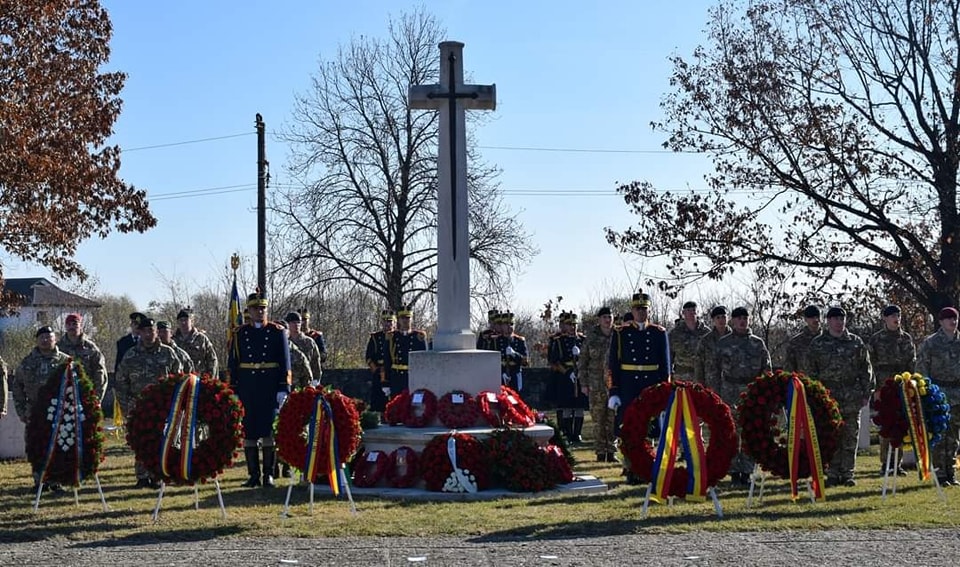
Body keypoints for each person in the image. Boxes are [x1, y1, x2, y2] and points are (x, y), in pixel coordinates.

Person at [228, 293, 292, 488]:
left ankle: (268, 475)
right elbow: (233, 363)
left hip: (269, 386)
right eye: (256, 308)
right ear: (249, 310)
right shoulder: (239, 333)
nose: (260, 312)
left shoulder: (276, 331)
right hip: (248, 387)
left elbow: (285, 362)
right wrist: (234, 388)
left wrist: (284, 387)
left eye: (263, 308)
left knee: (267, 431)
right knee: (249, 432)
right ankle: (253, 474)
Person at [606, 291, 671, 483]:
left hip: (650, 384)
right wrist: (614, 391)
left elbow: (665, 365)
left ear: (649, 310)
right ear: (632, 311)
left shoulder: (659, 333)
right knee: (628, 427)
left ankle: (647, 466)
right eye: (637, 309)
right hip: (628, 385)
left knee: (649, 427)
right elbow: (613, 366)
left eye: (644, 309)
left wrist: (664, 391)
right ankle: (629, 467)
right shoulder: (621, 332)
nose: (641, 313)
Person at [807, 306, 874, 487]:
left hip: (851, 395)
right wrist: (814, 396)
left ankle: (848, 474)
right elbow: (811, 373)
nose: (839, 322)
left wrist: (866, 392)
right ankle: (833, 473)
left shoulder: (856, 342)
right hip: (828, 397)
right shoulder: (817, 344)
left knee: (850, 436)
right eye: (835, 319)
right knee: (831, 436)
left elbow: (866, 370)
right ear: (828, 321)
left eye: (842, 319)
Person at [115, 317, 184, 488]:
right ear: (139, 332)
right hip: (138, 405)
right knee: (141, 440)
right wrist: (125, 407)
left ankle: (158, 474)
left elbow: (179, 378)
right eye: (145, 331)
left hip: (162, 406)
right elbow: (121, 382)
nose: (148, 334)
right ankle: (142, 476)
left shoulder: (168, 353)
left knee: (161, 440)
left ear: (156, 332)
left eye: (151, 331)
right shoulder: (131, 355)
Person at [712, 306, 772, 486]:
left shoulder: (757, 343)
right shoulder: (723, 343)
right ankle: (733, 470)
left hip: (751, 391)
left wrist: (766, 391)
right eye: (738, 318)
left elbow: (766, 368)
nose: (742, 321)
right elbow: (714, 370)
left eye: (745, 318)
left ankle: (746, 470)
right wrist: (715, 393)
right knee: (731, 432)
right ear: (732, 320)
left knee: (749, 432)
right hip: (729, 389)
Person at [11, 326, 70, 493]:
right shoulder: (27, 362)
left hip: (59, 413)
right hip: (35, 412)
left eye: (49, 337)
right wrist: (22, 411)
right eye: (42, 337)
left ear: (55, 339)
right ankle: (39, 481)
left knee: (59, 446)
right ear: (37, 340)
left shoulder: (65, 362)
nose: (46, 340)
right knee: (36, 446)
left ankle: (56, 481)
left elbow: (75, 386)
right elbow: (17, 388)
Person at [867, 304, 916, 476]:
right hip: (883, 388)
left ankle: (898, 463)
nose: (897, 319)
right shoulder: (876, 340)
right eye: (893, 316)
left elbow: (912, 363)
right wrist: (875, 390)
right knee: (886, 427)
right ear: (885, 318)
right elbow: (870, 366)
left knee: (901, 425)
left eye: (898, 315)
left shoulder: (906, 339)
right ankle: (885, 464)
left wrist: (912, 385)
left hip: (902, 388)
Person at [916, 306, 960, 486]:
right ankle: (940, 473)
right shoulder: (931, 343)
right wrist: (925, 392)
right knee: (939, 433)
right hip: (938, 393)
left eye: (955, 318)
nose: (953, 321)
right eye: (949, 318)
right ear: (941, 321)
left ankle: (951, 472)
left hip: (957, 393)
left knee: (954, 436)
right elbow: (921, 367)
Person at [579, 306, 617, 462]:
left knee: (612, 419)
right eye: (604, 317)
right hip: (595, 384)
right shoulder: (591, 338)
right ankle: (601, 452)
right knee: (598, 419)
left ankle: (612, 452)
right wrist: (584, 383)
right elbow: (583, 362)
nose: (608, 320)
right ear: (599, 319)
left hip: (614, 385)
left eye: (610, 317)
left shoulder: (618, 335)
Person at [547, 311, 586, 443]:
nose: (572, 327)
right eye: (569, 325)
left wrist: (581, 368)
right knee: (567, 406)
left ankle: (577, 433)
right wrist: (568, 373)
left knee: (579, 406)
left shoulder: (583, 340)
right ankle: (569, 434)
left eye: (574, 324)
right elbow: (554, 361)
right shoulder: (559, 341)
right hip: (566, 376)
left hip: (580, 375)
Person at [57, 313, 108, 401]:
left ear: (81, 325)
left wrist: (97, 398)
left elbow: (100, 372)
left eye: (75, 324)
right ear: (65, 326)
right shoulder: (58, 348)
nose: (72, 327)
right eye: (69, 324)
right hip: (63, 397)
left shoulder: (91, 347)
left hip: (86, 395)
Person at [385, 305, 428, 395]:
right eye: (402, 318)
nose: (405, 321)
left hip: (413, 376)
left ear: (411, 319)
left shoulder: (418, 337)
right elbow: (387, 360)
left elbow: (423, 360)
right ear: (398, 320)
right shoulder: (392, 337)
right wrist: (386, 382)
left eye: (407, 318)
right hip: (396, 377)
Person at [668, 301, 710, 381]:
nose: (691, 313)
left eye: (693, 310)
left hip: (701, 377)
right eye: (688, 310)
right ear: (683, 313)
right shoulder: (675, 333)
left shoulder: (706, 332)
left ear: (697, 312)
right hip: (680, 377)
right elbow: (669, 356)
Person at [173, 307, 219, 378]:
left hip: (199, 379)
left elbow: (212, 359)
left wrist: (210, 378)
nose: (183, 323)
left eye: (186, 320)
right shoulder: (173, 340)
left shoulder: (201, 338)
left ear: (191, 321)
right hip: (179, 380)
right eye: (181, 320)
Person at [366, 309, 396, 412]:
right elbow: (369, 357)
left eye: (390, 321)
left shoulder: (396, 336)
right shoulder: (375, 337)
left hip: (393, 371)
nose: (387, 324)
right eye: (385, 321)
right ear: (381, 322)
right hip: (379, 371)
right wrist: (375, 370)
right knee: (377, 398)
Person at [695, 306, 730, 387]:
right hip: (711, 384)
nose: (721, 320)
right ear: (713, 320)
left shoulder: (735, 338)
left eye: (723, 317)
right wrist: (699, 384)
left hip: (731, 386)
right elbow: (699, 363)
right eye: (718, 317)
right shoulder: (706, 340)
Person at [286, 312, 322, 387]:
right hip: (290, 382)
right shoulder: (285, 343)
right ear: (288, 324)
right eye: (293, 322)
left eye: (298, 322)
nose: (296, 325)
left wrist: (315, 381)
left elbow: (316, 362)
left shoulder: (309, 342)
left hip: (306, 382)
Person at [783, 305, 822, 375]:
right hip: (804, 383)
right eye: (812, 317)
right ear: (806, 319)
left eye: (817, 317)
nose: (815, 320)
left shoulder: (828, 340)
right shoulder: (795, 342)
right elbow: (789, 369)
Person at [496, 311, 529, 393]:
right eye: (506, 324)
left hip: (515, 373)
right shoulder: (496, 340)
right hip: (500, 374)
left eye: (511, 324)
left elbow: (525, 362)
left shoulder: (520, 340)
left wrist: (514, 354)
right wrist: (502, 372)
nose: (509, 326)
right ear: (502, 326)